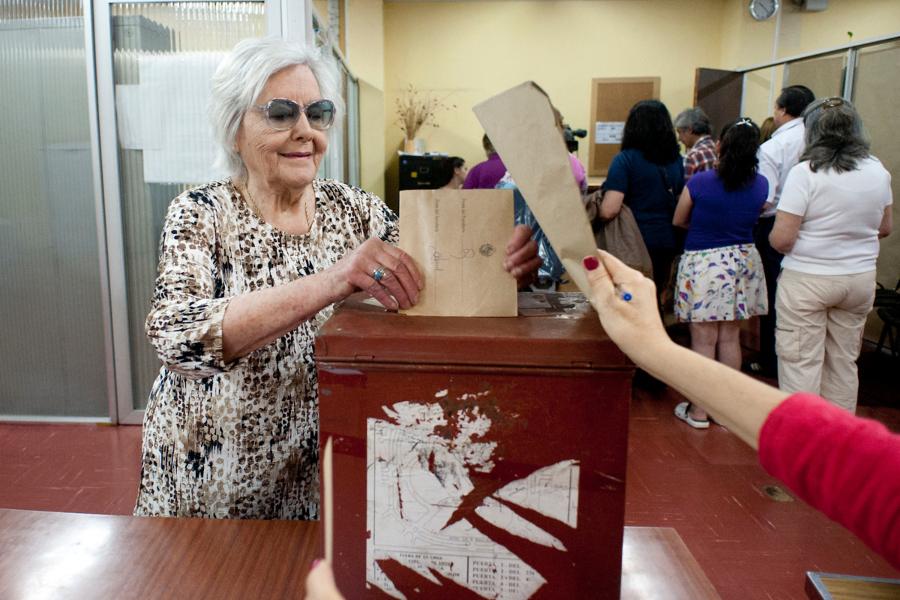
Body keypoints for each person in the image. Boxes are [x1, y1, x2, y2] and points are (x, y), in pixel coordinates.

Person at [134, 37, 540, 520]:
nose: (305, 131)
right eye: (280, 114)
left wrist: (503, 265)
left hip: (315, 470)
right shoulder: (201, 213)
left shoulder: (355, 209)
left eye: (317, 113)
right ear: (234, 129)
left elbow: (436, 279)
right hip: (211, 475)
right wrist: (334, 279)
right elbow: (177, 336)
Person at [581, 250, 900, 570]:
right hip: (845, 278)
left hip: (801, 276)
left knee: (797, 359)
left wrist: (654, 349)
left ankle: (700, 411)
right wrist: (654, 349)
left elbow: (848, 463)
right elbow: (850, 461)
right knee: (840, 363)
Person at [769, 97, 893, 413]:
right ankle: (841, 445)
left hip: (808, 280)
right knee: (843, 363)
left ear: (811, 132)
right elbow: (885, 228)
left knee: (801, 364)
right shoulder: (878, 170)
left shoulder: (806, 172)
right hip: (859, 279)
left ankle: (805, 450)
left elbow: (782, 239)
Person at [671, 118, 769, 428]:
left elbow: (679, 219)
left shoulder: (700, 182)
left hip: (705, 262)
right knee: (730, 338)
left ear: (720, 146)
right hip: (742, 261)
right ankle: (727, 413)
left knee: (703, 339)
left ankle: (699, 410)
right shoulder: (762, 184)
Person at [749, 85, 816, 378]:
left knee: (776, 295)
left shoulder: (774, 146)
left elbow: (765, 198)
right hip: (814, 228)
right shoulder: (818, 141)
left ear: (782, 110)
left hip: (776, 225)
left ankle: (771, 361)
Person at [598, 100, 684, 303]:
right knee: (656, 297)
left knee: (631, 301)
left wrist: (593, 214)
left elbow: (610, 208)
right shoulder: (676, 160)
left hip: (634, 242)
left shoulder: (625, 160)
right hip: (667, 240)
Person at [674, 107, 717, 180]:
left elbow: (684, 189)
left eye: (679, 132)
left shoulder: (691, 157)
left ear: (689, 130)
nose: (679, 139)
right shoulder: (717, 149)